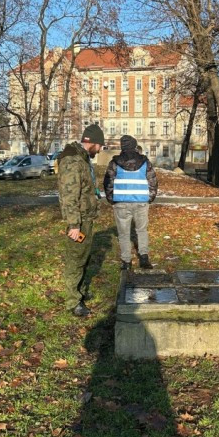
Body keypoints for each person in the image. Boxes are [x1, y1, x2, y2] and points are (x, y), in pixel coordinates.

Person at [57, 123, 105, 317]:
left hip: (86, 218)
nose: (101, 150)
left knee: (83, 258)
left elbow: (84, 188)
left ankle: (79, 293)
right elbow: (69, 195)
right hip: (79, 221)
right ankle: (73, 301)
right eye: (100, 145)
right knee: (75, 260)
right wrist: (74, 225)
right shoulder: (72, 161)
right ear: (92, 143)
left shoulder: (82, 159)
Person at [103, 134, 158, 270]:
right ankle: (144, 258)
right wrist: (149, 198)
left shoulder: (114, 163)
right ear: (134, 146)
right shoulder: (145, 162)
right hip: (141, 202)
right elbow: (152, 181)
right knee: (141, 230)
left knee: (123, 233)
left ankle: (126, 261)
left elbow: (108, 182)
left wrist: (112, 199)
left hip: (120, 203)